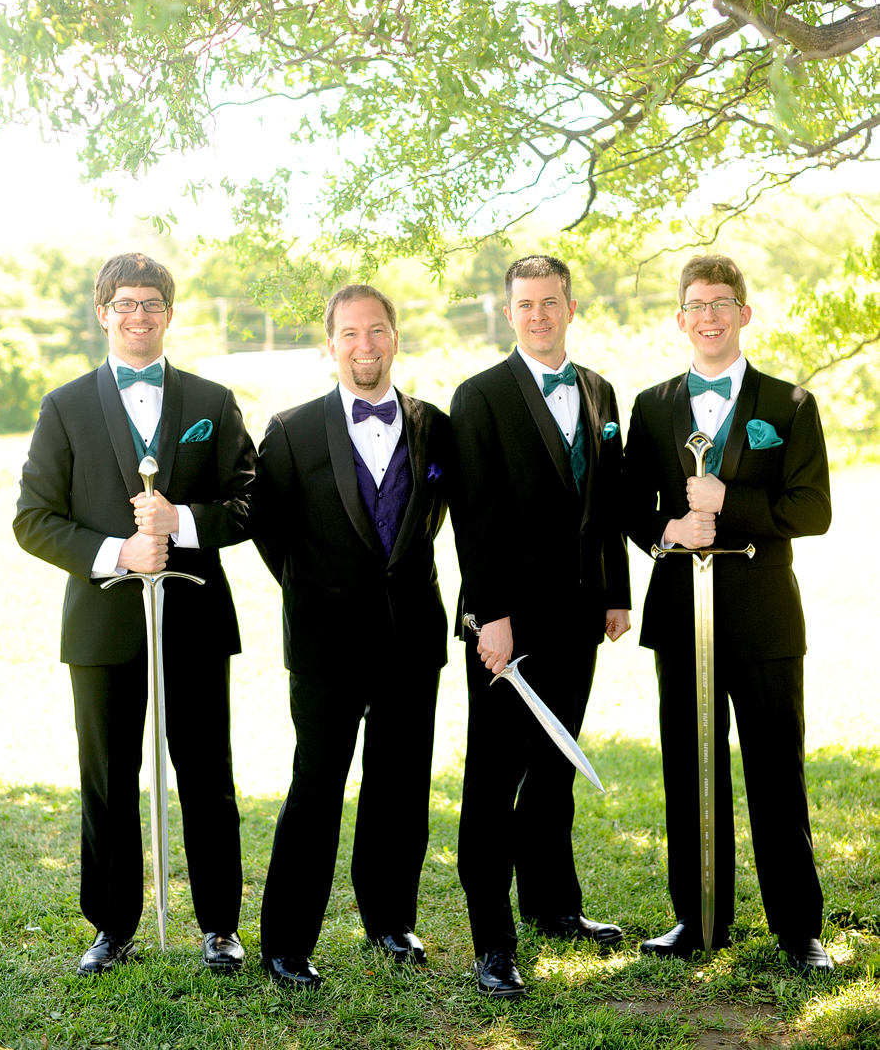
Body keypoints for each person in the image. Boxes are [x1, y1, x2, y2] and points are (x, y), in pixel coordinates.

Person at [14, 252, 255, 976]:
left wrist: (180, 520)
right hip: (102, 623)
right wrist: (119, 551)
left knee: (207, 773)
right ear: (102, 312)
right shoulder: (64, 406)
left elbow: (249, 503)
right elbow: (32, 518)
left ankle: (220, 925)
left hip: (195, 619)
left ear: (170, 313)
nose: (139, 316)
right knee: (109, 777)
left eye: (152, 303)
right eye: (125, 304)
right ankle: (112, 925)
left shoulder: (211, 403)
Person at [623, 254, 833, 974]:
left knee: (778, 770)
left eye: (721, 302)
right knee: (690, 767)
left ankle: (799, 928)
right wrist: (667, 529)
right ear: (681, 319)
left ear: (744, 313)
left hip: (767, 615)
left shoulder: (789, 404)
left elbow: (814, 509)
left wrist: (727, 504)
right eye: (695, 304)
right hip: (681, 615)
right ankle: (698, 917)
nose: (708, 315)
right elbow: (629, 502)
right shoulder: (651, 405)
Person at [254, 284, 451, 989]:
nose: (364, 346)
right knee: (316, 786)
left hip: (412, 638)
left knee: (400, 785)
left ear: (395, 337)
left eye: (376, 332)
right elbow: (269, 530)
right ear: (329, 345)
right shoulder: (291, 428)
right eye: (350, 335)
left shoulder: (436, 426)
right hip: (325, 640)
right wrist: (315, 589)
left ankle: (391, 919)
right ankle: (285, 943)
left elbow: (431, 520)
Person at [449, 254, 632, 998]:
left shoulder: (599, 389)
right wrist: (492, 615)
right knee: (494, 782)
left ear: (571, 306)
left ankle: (555, 906)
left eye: (549, 302)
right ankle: (493, 943)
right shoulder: (480, 396)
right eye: (524, 304)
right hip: (507, 627)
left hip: (580, 616)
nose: (537, 314)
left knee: (555, 770)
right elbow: (475, 516)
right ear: (508, 311)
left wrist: (615, 594)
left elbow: (609, 505)